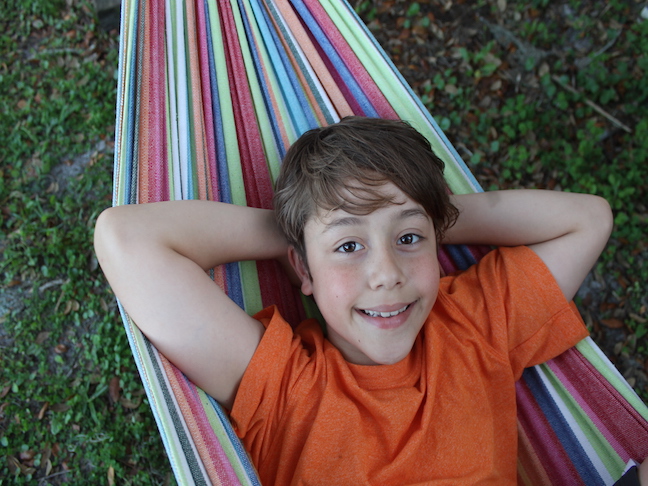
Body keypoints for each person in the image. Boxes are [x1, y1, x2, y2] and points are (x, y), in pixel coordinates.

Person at [94, 117, 644, 485]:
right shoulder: (284, 386)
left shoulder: (476, 323)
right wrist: (306, 233)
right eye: (350, 247)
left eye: (409, 240)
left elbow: (587, 219)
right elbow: (128, 239)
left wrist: (424, 215)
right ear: (302, 268)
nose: (387, 273)